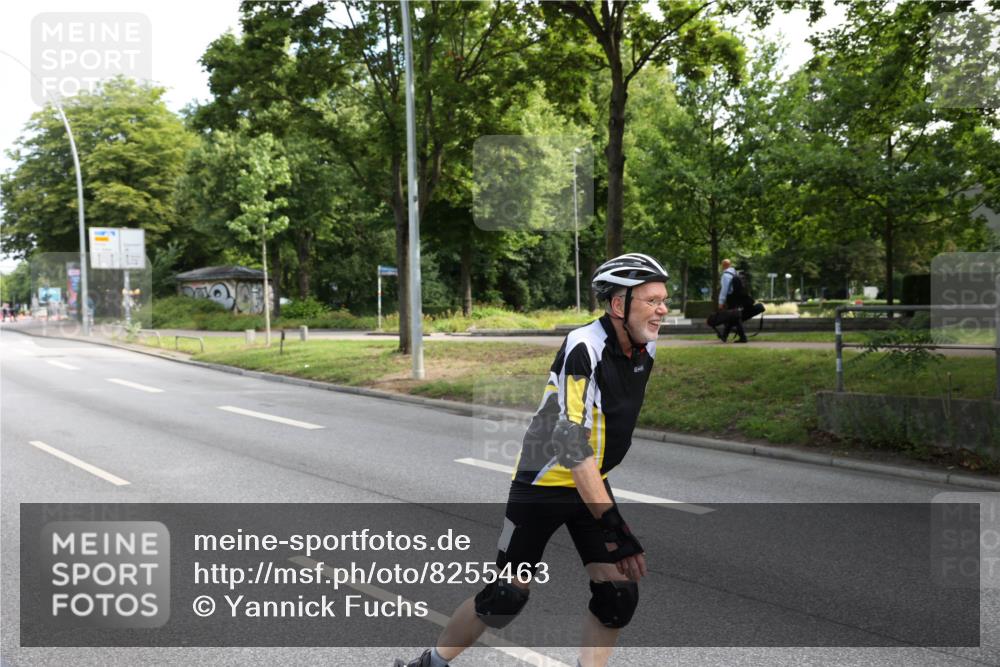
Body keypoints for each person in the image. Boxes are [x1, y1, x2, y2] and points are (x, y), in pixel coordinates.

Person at [394, 253, 669, 667]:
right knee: (505, 596)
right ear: (618, 305)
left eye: (664, 299)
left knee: (617, 592)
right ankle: (430, 663)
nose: (662, 309)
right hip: (542, 484)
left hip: (591, 480)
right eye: (652, 300)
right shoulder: (583, 347)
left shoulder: (644, 348)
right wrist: (616, 526)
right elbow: (571, 445)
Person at [715, 259, 747, 343]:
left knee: (734, 317)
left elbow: (724, 290)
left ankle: (742, 337)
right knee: (733, 317)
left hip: (731, 298)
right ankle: (725, 336)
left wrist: (721, 302)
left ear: (723, 266)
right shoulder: (735, 273)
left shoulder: (726, 275)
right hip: (739, 297)